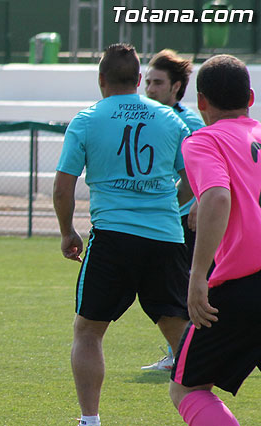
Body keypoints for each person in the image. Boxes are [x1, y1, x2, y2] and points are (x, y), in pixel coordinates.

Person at [53, 43, 193, 426]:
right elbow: (194, 179)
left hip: (112, 237)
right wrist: (169, 205)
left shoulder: (87, 119)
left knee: (88, 331)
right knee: (179, 332)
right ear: (137, 81)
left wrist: (68, 232)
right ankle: (203, 412)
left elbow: (63, 187)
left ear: (101, 81)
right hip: (165, 238)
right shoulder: (169, 119)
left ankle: (90, 420)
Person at [169, 54, 261, 426]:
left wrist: (196, 277)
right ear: (250, 98)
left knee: (188, 388)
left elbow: (218, 196)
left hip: (241, 285)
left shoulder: (203, 140)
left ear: (201, 101)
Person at [141, 49, 206, 371]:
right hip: (169, 218)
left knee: (185, 287)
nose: (150, 89)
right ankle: (180, 354)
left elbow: (201, 173)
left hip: (189, 219)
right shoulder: (151, 117)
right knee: (175, 288)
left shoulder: (188, 122)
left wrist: (195, 205)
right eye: (148, 82)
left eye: (157, 83)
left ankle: (188, 356)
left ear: (176, 87)